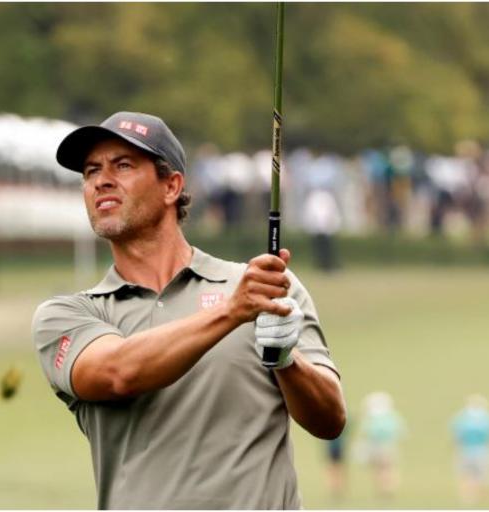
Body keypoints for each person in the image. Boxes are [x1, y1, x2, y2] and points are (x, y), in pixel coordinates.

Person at [33, 111, 346, 509]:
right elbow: (118, 373)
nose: (101, 180)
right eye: (91, 171)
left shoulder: (263, 287)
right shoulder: (70, 315)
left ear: (171, 186)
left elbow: (330, 420)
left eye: (123, 165)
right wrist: (233, 312)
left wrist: (287, 360)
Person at [450, 394, 489, 505]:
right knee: (482, 476)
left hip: (466, 450)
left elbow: (456, 435)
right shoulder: (487, 418)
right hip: (482, 450)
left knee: (467, 475)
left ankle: (469, 499)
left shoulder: (462, 417)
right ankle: (480, 498)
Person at [357, 391, 405, 500]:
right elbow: (400, 431)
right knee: (388, 468)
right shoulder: (392, 418)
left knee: (379, 469)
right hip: (388, 446)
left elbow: (366, 433)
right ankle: (388, 488)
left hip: (377, 447)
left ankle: (383, 488)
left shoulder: (372, 419)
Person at [302, 188, 343, 272]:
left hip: (327, 230)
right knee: (319, 249)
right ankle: (321, 264)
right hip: (317, 230)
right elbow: (310, 214)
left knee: (328, 249)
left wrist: (332, 226)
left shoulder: (328, 198)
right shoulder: (313, 198)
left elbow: (332, 213)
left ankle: (328, 265)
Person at [325, 423, 349, 502]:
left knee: (334, 468)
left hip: (334, 447)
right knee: (336, 468)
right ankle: (336, 487)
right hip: (337, 447)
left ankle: (336, 487)